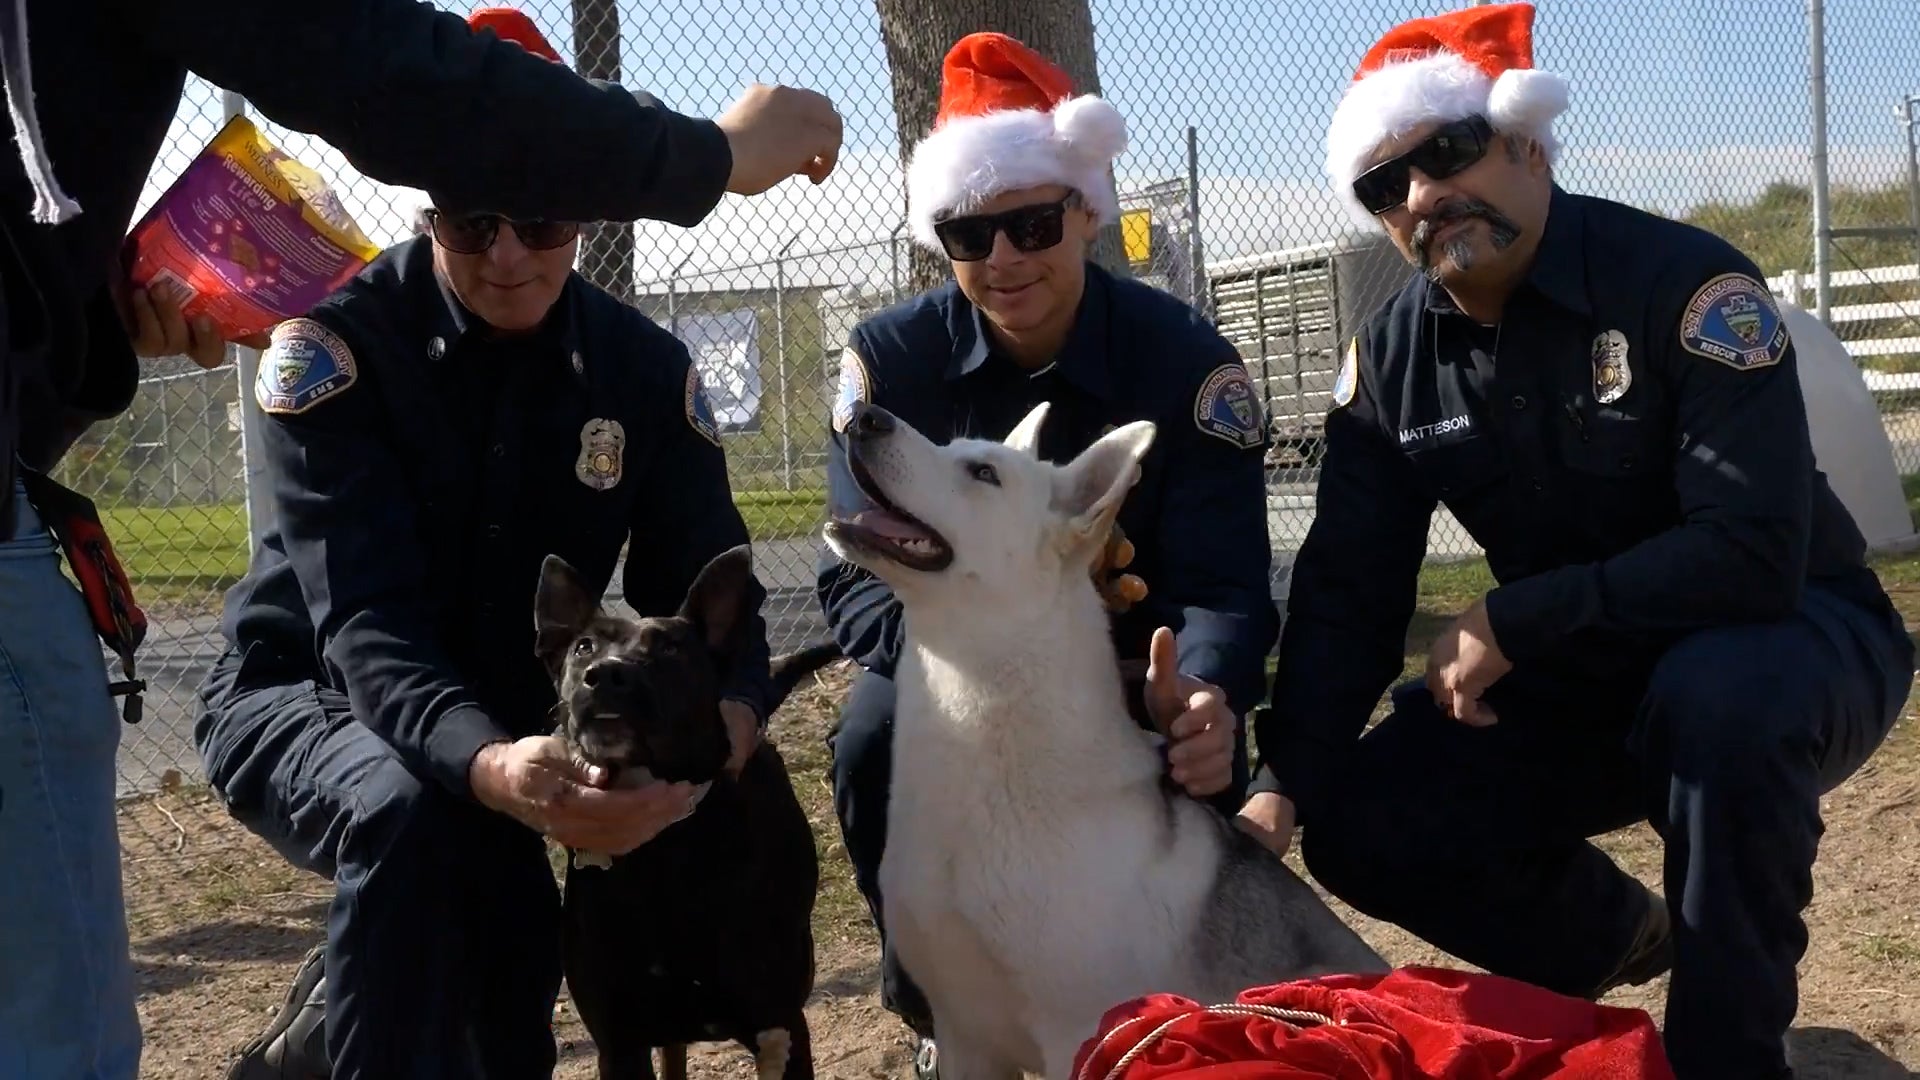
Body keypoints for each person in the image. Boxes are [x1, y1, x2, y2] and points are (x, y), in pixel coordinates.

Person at [0, 0, 838, 1073]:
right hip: (307, 696)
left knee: (509, 956)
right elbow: (366, 632)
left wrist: (731, 717)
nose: (504, 254)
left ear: (584, 220)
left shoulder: (639, 371)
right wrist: (492, 765)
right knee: (415, 817)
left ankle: (324, 1039)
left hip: (494, 724)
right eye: (470, 220)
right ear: (428, 208)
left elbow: (716, 594)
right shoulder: (338, 351)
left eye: (541, 224)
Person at [1235, 5, 1915, 1078]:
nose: (1421, 197)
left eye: (1447, 152)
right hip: (1593, 676)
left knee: (1720, 702)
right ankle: (1610, 937)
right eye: (1384, 186)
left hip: (1795, 636)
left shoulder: (1685, 286)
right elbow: (1346, 595)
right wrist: (1284, 779)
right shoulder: (1392, 360)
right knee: (1364, 817)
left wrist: (1516, 614)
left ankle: (1725, 1060)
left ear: (1528, 142)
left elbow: (1751, 550)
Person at [815, 31, 1280, 1078]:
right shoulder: (889, 362)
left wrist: (1202, 692)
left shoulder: (1183, 360)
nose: (1004, 259)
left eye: (1031, 223)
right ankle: (945, 1005)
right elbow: (853, 574)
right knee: (869, 736)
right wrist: (988, 674)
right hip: (957, 672)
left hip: (1129, 674)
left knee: (1192, 766)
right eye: (969, 234)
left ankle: (1179, 1030)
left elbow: (1225, 584)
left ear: (1085, 211)